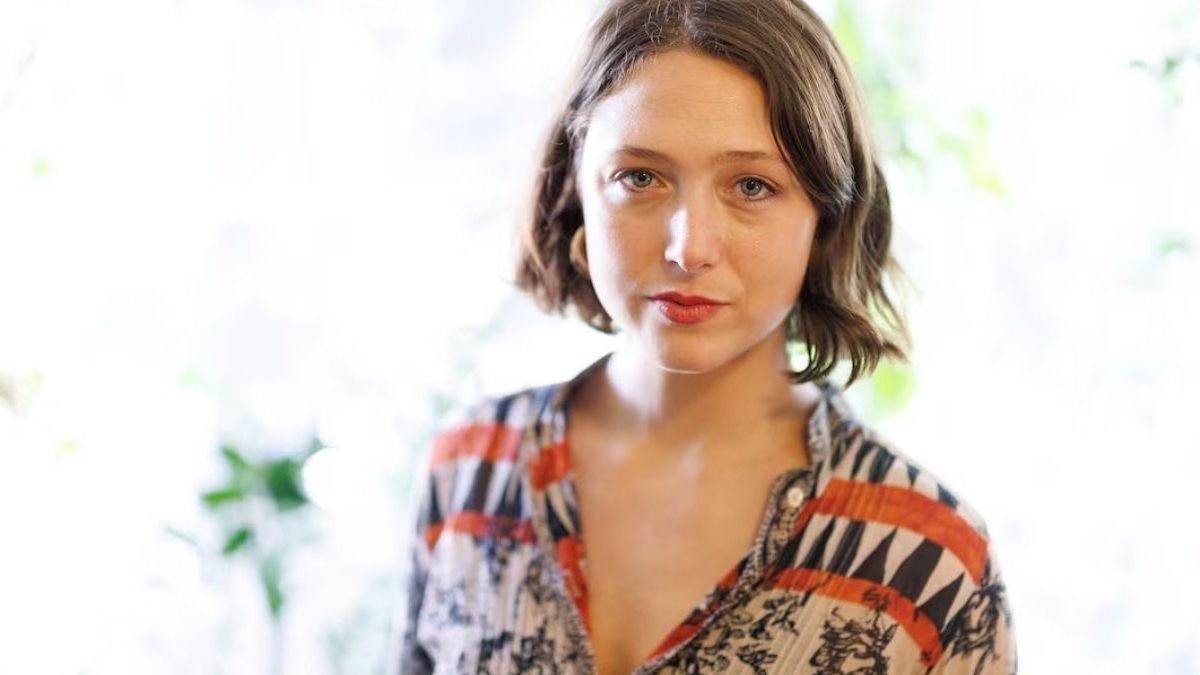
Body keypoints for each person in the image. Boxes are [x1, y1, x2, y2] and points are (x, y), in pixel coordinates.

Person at [388, 0, 1017, 673]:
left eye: (751, 185)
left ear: (826, 215)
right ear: (576, 188)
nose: (690, 248)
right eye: (640, 177)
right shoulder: (469, 471)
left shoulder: (928, 563)